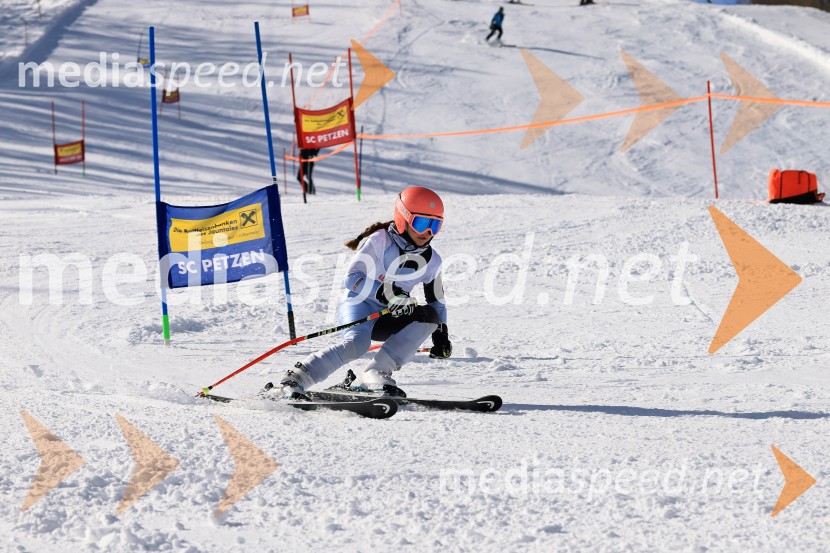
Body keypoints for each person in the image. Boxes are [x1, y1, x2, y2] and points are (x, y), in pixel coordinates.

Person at [277, 186, 453, 399]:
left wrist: (441, 333)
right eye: (423, 223)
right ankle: (297, 378)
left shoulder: (433, 261)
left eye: (436, 225)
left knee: (429, 317)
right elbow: (352, 278)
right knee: (357, 345)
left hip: (390, 316)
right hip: (359, 305)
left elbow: (436, 302)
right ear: (402, 219)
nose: (429, 232)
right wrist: (388, 295)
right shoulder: (381, 240)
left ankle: (375, 374)